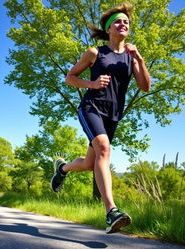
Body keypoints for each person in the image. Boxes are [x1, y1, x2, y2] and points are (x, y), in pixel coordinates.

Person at [50, 3, 151, 234]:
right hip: (91, 107)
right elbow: (70, 77)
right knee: (104, 149)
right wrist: (91, 84)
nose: (123, 24)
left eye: (126, 22)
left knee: (88, 164)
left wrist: (141, 59)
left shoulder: (131, 58)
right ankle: (111, 212)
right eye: (118, 21)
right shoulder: (95, 53)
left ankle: (63, 168)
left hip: (113, 115)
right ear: (109, 28)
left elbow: (145, 87)